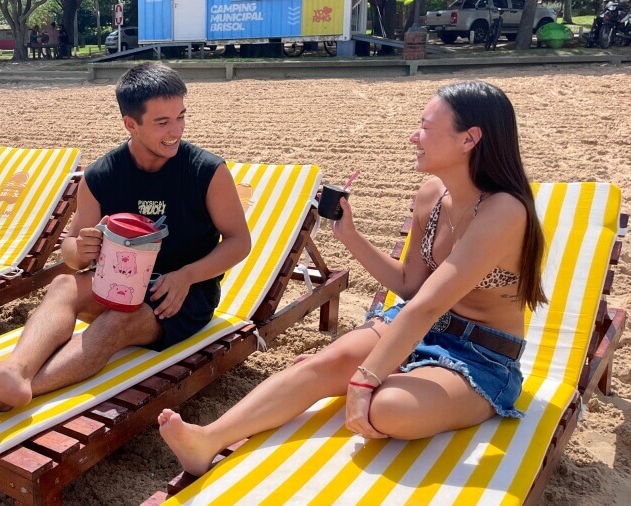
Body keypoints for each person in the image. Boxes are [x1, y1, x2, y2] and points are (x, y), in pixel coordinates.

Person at [158, 80, 548, 476]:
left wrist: (366, 378)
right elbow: (412, 287)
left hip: (478, 357)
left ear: (469, 139)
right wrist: (351, 236)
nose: (414, 137)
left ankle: (387, 376)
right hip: (413, 328)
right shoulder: (432, 194)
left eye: (426, 127)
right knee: (313, 369)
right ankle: (206, 439)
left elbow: (429, 304)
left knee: (386, 407)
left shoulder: (504, 212)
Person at [0, 62, 251, 427]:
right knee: (62, 285)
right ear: (130, 125)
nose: (176, 131)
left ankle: (5, 399)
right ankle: (14, 372)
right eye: (162, 122)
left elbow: (239, 242)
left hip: (182, 296)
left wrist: (188, 275)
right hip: (117, 282)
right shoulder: (102, 175)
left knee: (121, 319)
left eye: (181, 117)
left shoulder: (205, 171)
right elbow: (70, 252)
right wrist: (81, 248)